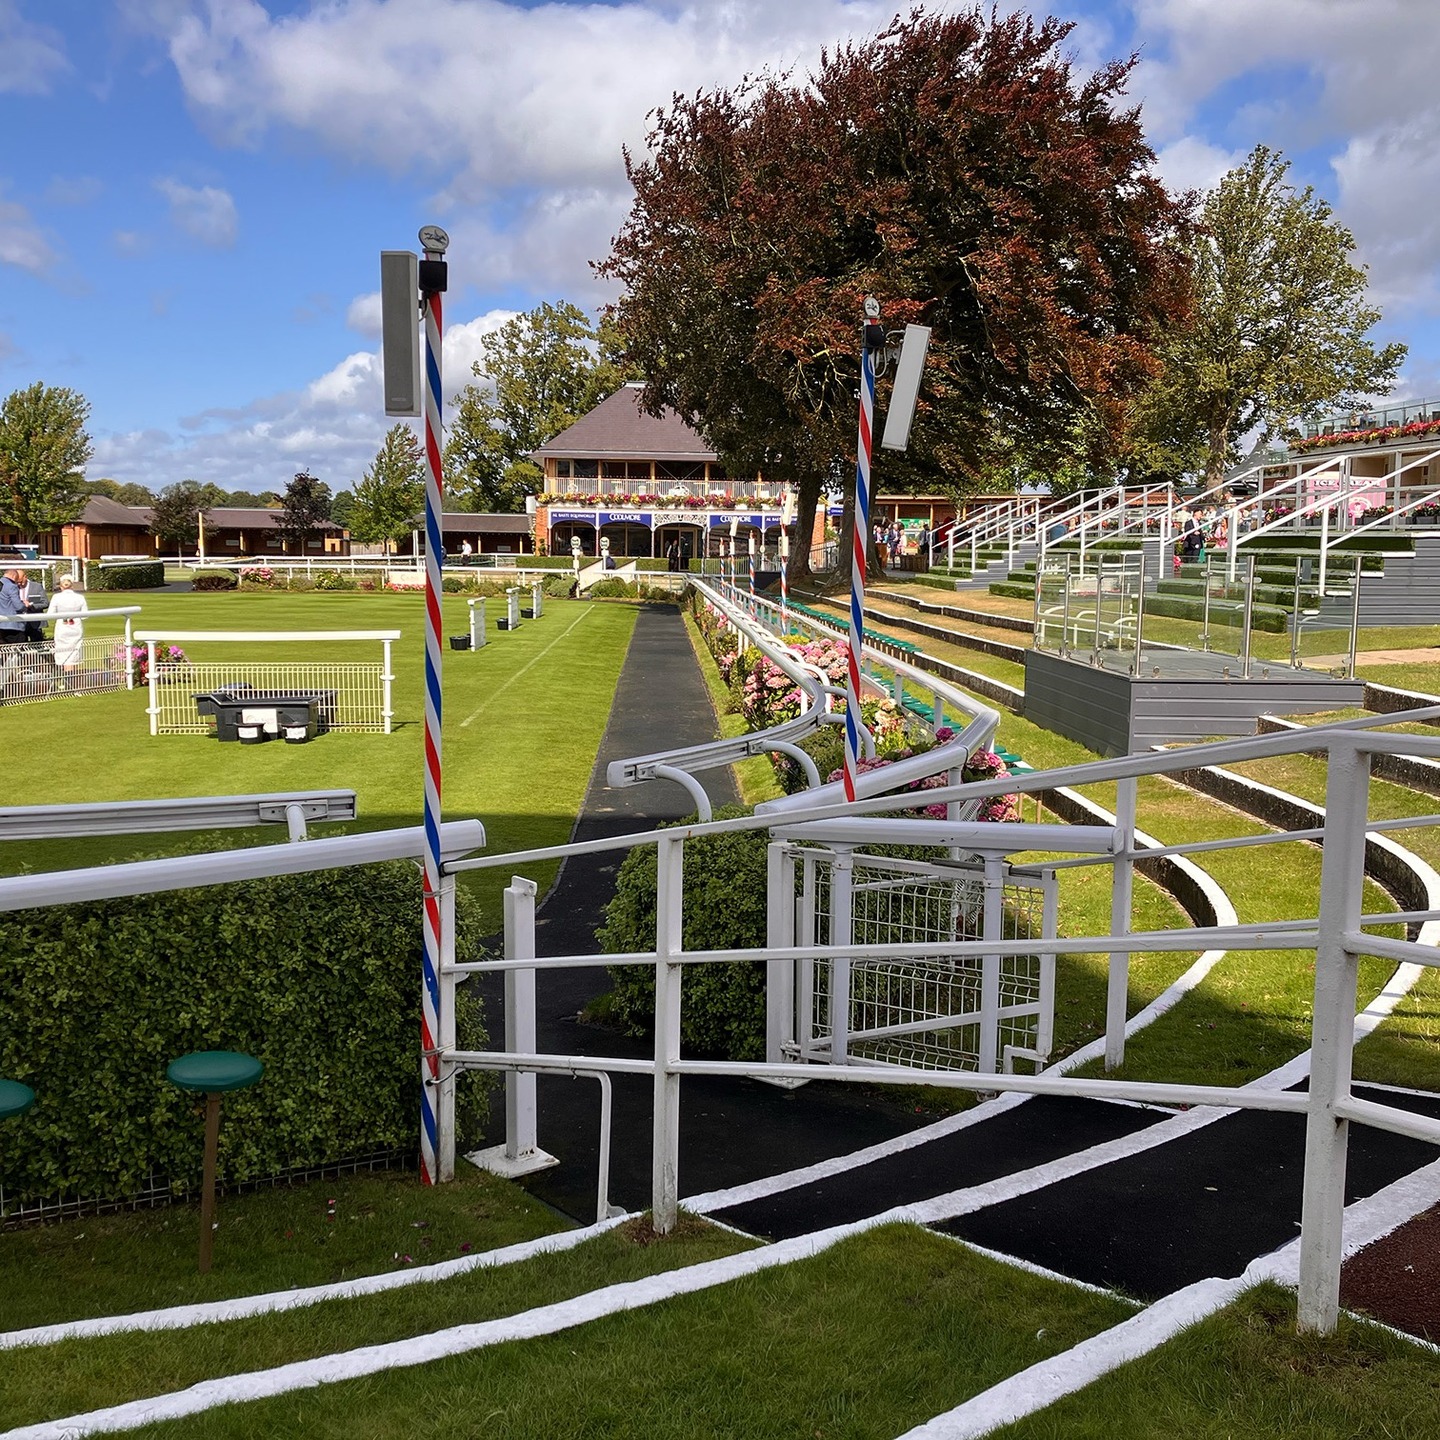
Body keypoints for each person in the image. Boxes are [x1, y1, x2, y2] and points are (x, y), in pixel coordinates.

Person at [47, 573, 87, 674]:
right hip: (76, 627)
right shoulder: (80, 597)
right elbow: (84, 615)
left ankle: (68, 679)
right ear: (72, 585)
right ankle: (72, 679)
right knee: (74, 651)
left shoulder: (56, 597)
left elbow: (50, 614)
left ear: (61, 586)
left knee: (63, 652)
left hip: (62, 627)